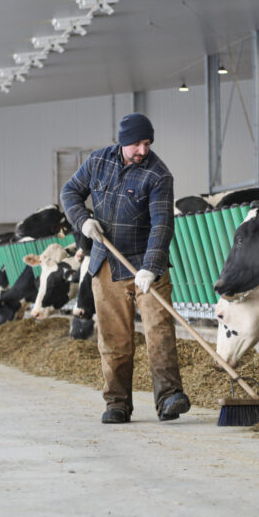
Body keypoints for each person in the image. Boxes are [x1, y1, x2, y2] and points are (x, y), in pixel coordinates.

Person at [61, 112, 190, 424]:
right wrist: (82, 220)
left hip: (147, 266)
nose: (143, 150)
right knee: (114, 337)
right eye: (136, 144)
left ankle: (169, 396)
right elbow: (70, 192)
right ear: (122, 142)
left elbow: (162, 225)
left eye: (147, 143)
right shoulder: (97, 162)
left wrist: (150, 266)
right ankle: (117, 403)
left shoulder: (158, 175)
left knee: (159, 332)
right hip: (106, 264)